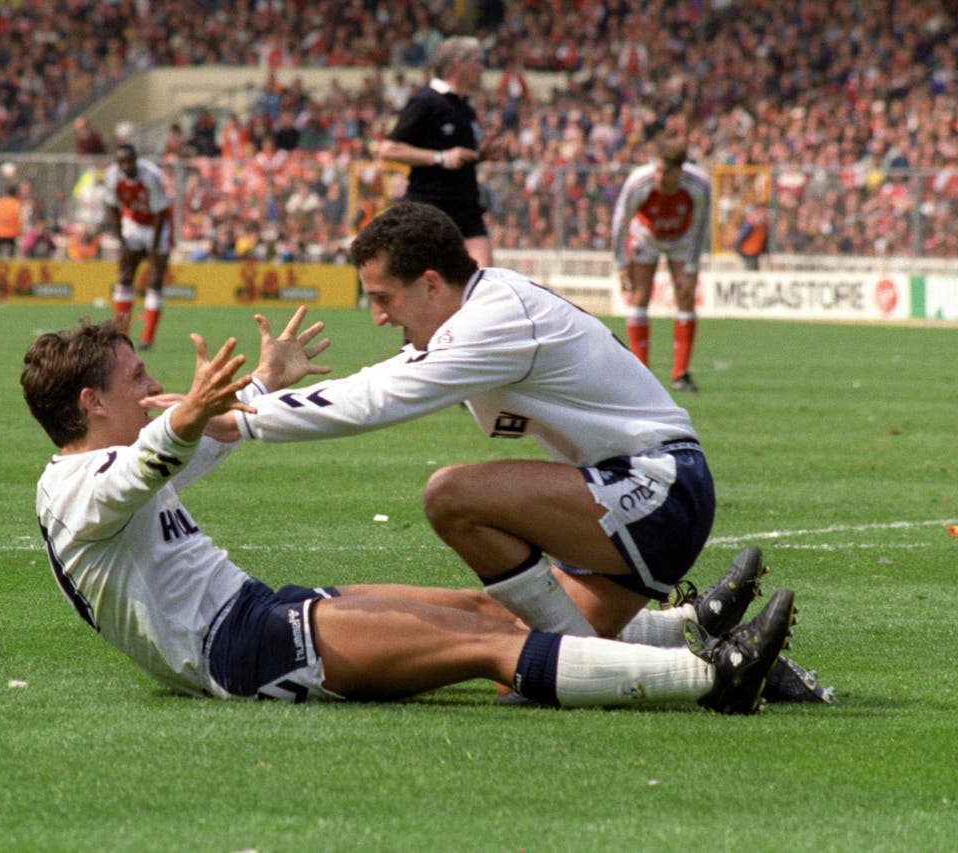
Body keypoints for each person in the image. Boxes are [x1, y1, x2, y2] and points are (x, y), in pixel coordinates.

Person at [20, 307, 795, 713]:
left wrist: (260, 382)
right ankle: (711, 678)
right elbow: (146, 465)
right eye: (135, 378)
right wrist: (184, 415)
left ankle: (690, 627)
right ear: (92, 403)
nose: (151, 385)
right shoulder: (72, 487)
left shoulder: (122, 462)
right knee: (483, 649)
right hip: (241, 652)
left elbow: (194, 446)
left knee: (481, 609)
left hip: (261, 610)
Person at [214, 202, 830, 705]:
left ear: (431, 283)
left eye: (384, 297)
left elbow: (376, 399)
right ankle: (710, 637)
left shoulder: (490, 321)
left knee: (452, 498)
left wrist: (237, 418)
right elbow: (379, 379)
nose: (377, 316)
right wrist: (254, 394)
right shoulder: (483, 307)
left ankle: (593, 669)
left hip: (654, 488)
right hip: (640, 490)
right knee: (505, 621)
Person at [376, 36, 507, 268]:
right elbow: (388, 149)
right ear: (458, 64)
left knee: (482, 284)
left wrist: (480, 155)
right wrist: (440, 158)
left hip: (466, 209)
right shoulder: (426, 102)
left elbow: (457, 157)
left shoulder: (464, 105)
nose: (482, 68)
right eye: (478, 61)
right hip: (430, 209)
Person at [612, 140, 712, 392]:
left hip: (682, 239)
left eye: (666, 172)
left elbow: (701, 225)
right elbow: (621, 222)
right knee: (640, 295)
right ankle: (640, 374)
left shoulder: (698, 185)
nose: (659, 176)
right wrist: (620, 263)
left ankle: (680, 375)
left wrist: (692, 266)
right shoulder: (639, 183)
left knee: (686, 296)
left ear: (680, 171)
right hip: (646, 236)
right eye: (657, 170)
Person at [103, 143, 172, 350]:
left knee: (155, 279)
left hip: (156, 226)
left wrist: (153, 246)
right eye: (121, 162)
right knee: (125, 276)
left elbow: (161, 212)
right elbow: (112, 207)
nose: (125, 166)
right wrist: (122, 241)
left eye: (129, 161)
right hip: (132, 223)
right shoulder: (112, 176)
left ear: (135, 160)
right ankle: (121, 334)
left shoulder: (150, 176)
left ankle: (147, 337)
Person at [0, 185, 23, 258]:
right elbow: (22, 218)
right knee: (12, 255)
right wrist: (20, 229)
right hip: (12, 233)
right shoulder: (16, 204)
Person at [735, 207, 769, 271]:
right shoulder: (751, 224)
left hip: (755, 252)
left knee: (754, 270)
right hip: (749, 252)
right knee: (750, 270)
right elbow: (741, 237)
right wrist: (738, 248)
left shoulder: (763, 225)